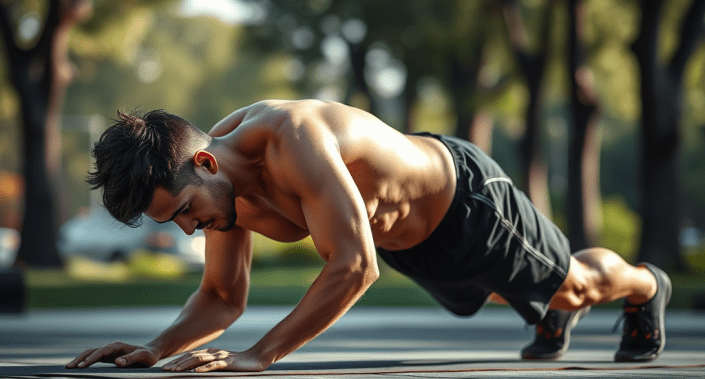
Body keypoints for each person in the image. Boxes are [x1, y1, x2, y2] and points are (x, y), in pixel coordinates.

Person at [66, 99, 671, 373]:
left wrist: (260, 354)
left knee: (575, 286)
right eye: (176, 223)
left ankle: (647, 287)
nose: (192, 228)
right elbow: (223, 297)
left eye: (186, 212)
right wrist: (157, 347)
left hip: (470, 206)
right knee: (479, 294)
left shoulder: (292, 138)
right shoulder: (224, 192)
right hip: (407, 241)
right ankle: (537, 307)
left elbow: (353, 267)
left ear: (204, 164)